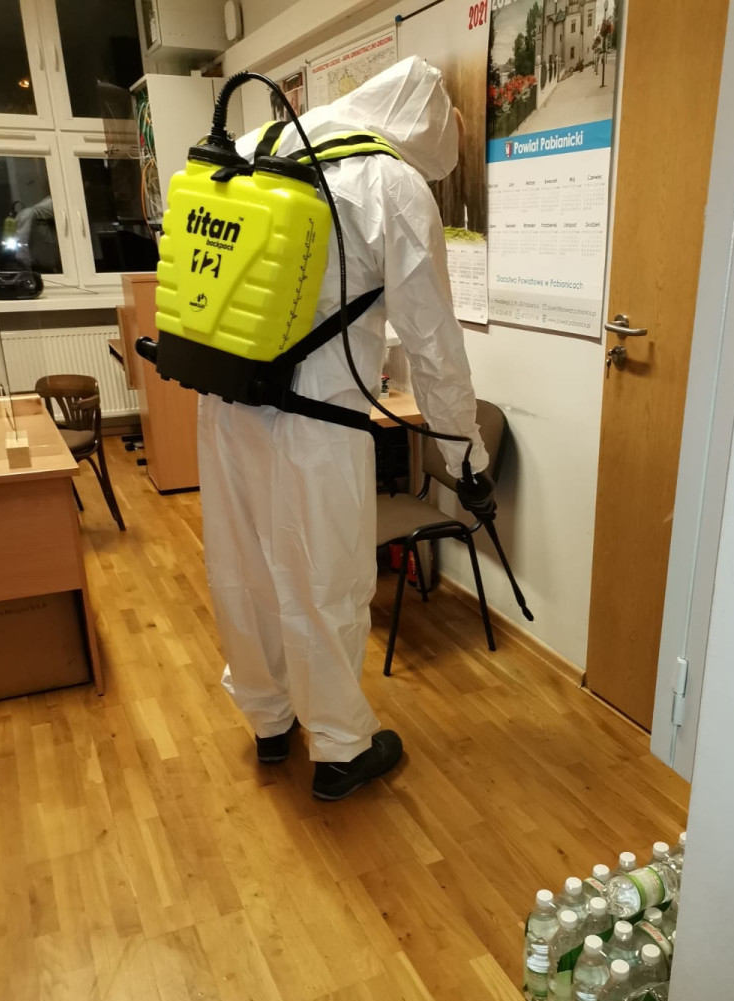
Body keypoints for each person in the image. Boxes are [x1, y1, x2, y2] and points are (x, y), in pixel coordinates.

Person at [197, 57, 492, 801]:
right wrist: (466, 457)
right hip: (318, 424)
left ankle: (269, 723)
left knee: (245, 569)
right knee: (324, 578)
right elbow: (433, 346)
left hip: (226, 405)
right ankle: (339, 750)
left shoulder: (258, 144)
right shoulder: (390, 183)